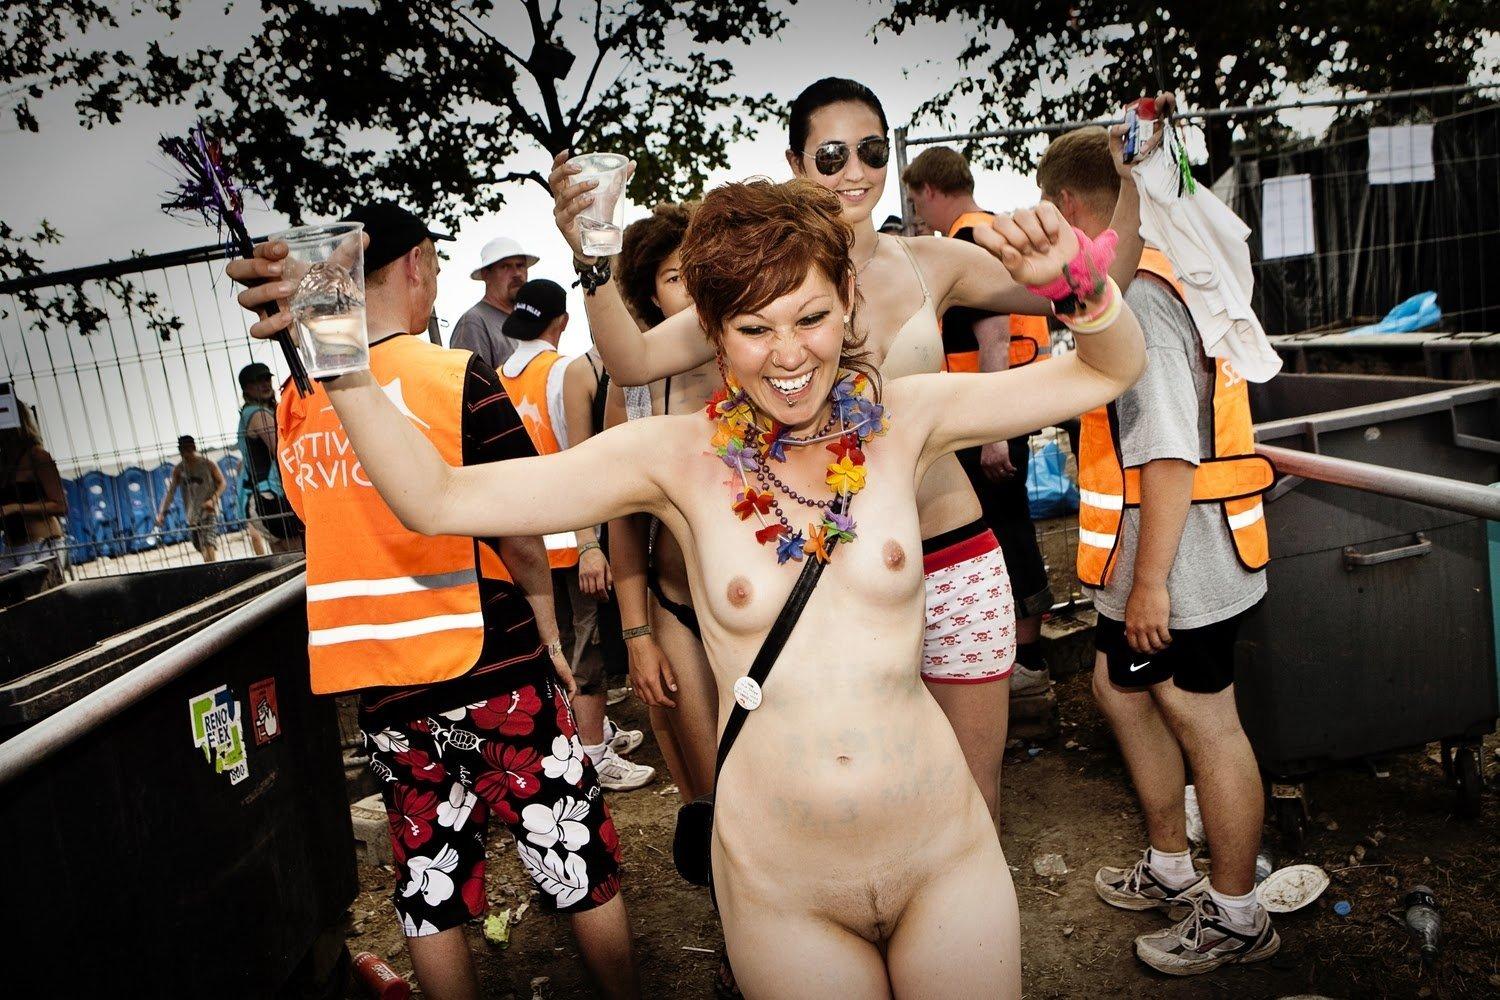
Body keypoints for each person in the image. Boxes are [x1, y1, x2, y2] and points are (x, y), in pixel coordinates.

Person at [242, 174, 1144, 999]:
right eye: (753, 328)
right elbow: (437, 497)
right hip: (783, 887)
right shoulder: (672, 458)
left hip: (943, 855)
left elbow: (1109, 367)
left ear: (849, 302)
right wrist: (340, 355)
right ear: (713, 333)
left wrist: (1078, 284)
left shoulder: (905, 419)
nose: (788, 354)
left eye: (811, 317)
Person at [551, 76, 1153, 829]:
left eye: (871, 150)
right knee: (863, 809)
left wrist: (1130, 185)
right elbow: (634, 360)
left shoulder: (935, 261)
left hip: (950, 554)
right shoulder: (766, 288)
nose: (855, 172)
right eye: (831, 155)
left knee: (972, 804)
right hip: (834, 580)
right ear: (796, 163)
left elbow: (1100, 283)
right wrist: (593, 259)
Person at [228, 202, 640, 1000]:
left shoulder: (300, 397)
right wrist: (549, 634)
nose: (439, 281)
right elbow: (519, 523)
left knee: (430, 880)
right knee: (575, 854)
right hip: (489, 659)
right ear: (415, 262)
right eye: (439, 265)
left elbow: (314, 515)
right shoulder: (451, 375)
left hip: (382, 679)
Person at [1038, 126, 1279, 975]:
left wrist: (1150, 587)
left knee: (1205, 720)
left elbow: (1170, 453)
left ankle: (1238, 913)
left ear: (1068, 206)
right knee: (1120, 688)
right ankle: (1174, 865)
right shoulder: (1139, 281)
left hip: (1181, 566)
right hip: (1154, 561)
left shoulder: (1140, 299)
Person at [903, 145, 1056, 697]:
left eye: (918, 201)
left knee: (1006, 529)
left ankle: (1027, 661)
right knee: (1011, 525)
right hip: (1004, 407)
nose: (920, 213)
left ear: (932, 190)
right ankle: (1023, 657)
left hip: (988, 417)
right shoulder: (992, 231)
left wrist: (993, 435)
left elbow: (994, 339)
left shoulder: (967, 242)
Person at [499, 278, 655, 793]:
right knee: (587, 648)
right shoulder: (562, 372)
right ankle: (592, 753)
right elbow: (579, 456)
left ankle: (587, 736)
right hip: (571, 534)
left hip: (526, 534)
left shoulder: (499, 377)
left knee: (558, 646)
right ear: (562, 321)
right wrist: (591, 543)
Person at [603, 204, 721, 809]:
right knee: (712, 790)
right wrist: (637, 635)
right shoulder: (634, 388)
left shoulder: (757, 360)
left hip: (767, 605)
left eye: (701, 272)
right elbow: (622, 520)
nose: (693, 289)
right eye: (676, 277)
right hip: (676, 604)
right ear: (649, 293)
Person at [236, 361, 303, 553]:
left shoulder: (246, 414)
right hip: (269, 498)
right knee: (298, 552)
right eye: (258, 381)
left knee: (283, 555)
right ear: (247, 388)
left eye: (267, 378)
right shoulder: (259, 414)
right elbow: (283, 451)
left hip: (257, 499)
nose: (265, 384)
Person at [0, 398, 68, 581]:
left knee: (44, 596)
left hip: (42, 544)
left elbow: (61, 506)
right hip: (10, 548)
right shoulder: (3, 463)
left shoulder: (37, 456)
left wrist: (15, 508)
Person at [448, 235, 539, 369]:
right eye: (506, 267)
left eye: (520, 266)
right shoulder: (473, 323)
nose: (516, 273)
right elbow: (469, 381)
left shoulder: (530, 321)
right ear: (486, 274)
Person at [156, 434, 226, 563]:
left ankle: (213, 569)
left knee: (208, 542)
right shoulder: (179, 469)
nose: (185, 454)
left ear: (193, 447)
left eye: (187, 449)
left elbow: (222, 483)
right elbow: (170, 492)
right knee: (199, 545)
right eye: (182, 450)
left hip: (208, 511)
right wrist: (162, 513)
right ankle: (211, 565)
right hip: (192, 515)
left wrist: (213, 499)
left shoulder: (208, 463)